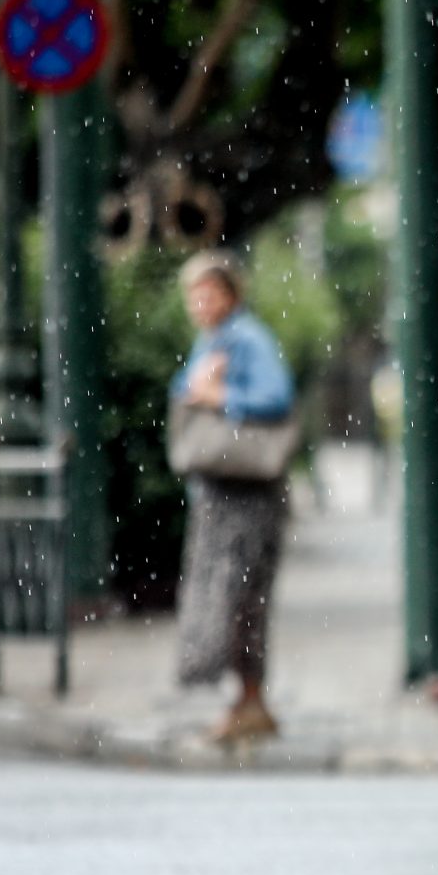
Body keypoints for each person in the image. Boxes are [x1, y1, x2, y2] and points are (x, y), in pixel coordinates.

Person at [170, 251, 296, 745]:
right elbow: (185, 391)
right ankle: (246, 700)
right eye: (193, 295)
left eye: (209, 292)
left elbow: (276, 397)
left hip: (247, 493)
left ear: (230, 293)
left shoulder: (246, 339)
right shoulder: (215, 341)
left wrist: (221, 398)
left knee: (239, 597)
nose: (200, 304)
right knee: (233, 597)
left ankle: (248, 700)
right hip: (222, 490)